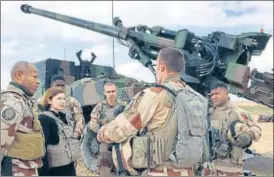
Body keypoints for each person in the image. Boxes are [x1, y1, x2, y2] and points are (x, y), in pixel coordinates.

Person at [97, 47, 207, 176]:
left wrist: (102, 133)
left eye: (156, 67)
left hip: (160, 171)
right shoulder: (197, 98)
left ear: (161, 66)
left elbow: (121, 129)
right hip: (188, 172)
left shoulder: (155, 94)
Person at [1, 61, 45, 176]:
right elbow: (2, 139)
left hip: (25, 167)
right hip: (15, 169)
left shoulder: (23, 100)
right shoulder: (14, 101)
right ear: (19, 76)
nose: (38, 81)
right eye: (34, 77)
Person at [209, 82, 262, 176]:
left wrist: (249, 136)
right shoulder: (209, 113)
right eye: (212, 94)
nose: (213, 97)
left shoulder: (238, 113)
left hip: (231, 167)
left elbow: (256, 128)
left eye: (217, 94)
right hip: (210, 166)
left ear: (226, 94)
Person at [77, 81, 127, 176]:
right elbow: (93, 127)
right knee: (104, 168)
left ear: (116, 92)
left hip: (122, 140)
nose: (111, 94)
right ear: (104, 93)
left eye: (113, 91)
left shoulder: (124, 106)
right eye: (108, 92)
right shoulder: (99, 108)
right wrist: (105, 128)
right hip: (106, 141)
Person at [37, 87, 81, 176]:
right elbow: (41, 149)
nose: (62, 101)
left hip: (68, 166)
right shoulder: (44, 120)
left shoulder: (64, 117)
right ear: (49, 100)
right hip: (55, 170)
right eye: (59, 99)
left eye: (64, 99)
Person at [33, 74, 85, 139]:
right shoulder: (41, 101)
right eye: (57, 85)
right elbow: (36, 120)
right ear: (51, 85)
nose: (60, 88)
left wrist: (75, 135)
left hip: (68, 136)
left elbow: (80, 120)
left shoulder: (72, 101)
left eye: (62, 86)